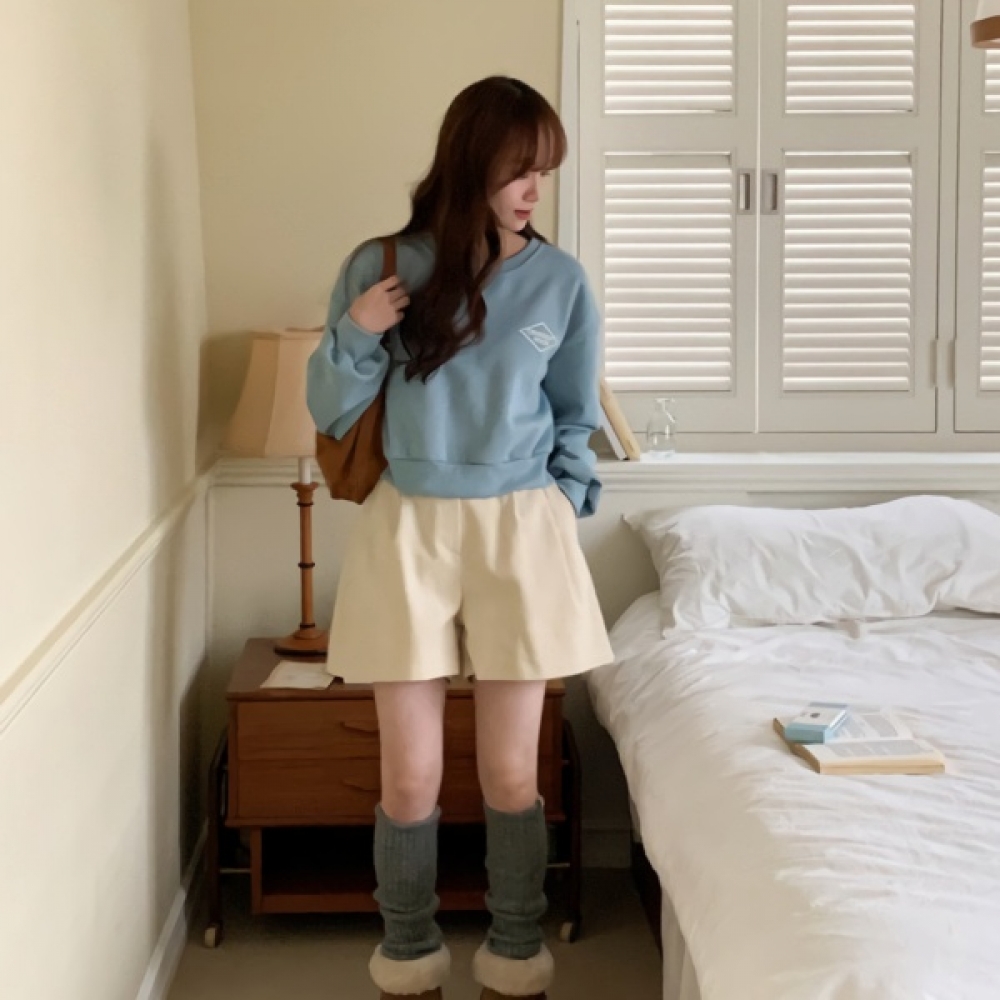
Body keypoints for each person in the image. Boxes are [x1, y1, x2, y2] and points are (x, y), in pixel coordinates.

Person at [306, 75, 613, 1000]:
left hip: (521, 526)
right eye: (521, 169)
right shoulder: (382, 265)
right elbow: (330, 408)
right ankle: (408, 957)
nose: (533, 190)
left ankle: (516, 954)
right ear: (471, 161)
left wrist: (564, 498)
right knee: (410, 777)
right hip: (409, 523)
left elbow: (575, 411)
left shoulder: (560, 280)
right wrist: (357, 331)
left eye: (544, 172)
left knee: (513, 773)